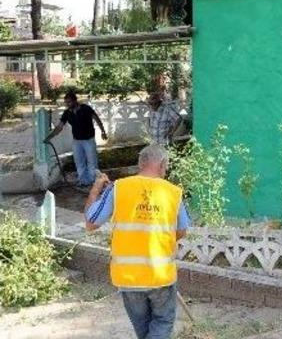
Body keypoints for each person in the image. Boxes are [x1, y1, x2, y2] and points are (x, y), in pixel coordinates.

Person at [84, 144, 191, 339]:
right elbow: (181, 231)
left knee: (144, 329)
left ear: (140, 164)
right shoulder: (173, 193)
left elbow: (91, 223)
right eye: (165, 167)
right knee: (163, 322)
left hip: (128, 277)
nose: (165, 170)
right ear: (161, 165)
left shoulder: (119, 188)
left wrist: (95, 190)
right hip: (160, 275)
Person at [44, 91, 107, 187]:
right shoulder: (67, 113)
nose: (68, 104)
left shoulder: (86, 109)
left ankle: (94, 182)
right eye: (66, 102)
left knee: (92, 162)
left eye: (69, 102)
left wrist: (103, 131)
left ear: (75, 100)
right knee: (79, 162)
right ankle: (83, 181)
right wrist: (49, 137)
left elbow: (96, 119)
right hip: (77, 141)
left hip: (88, 140)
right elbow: (59, 127)